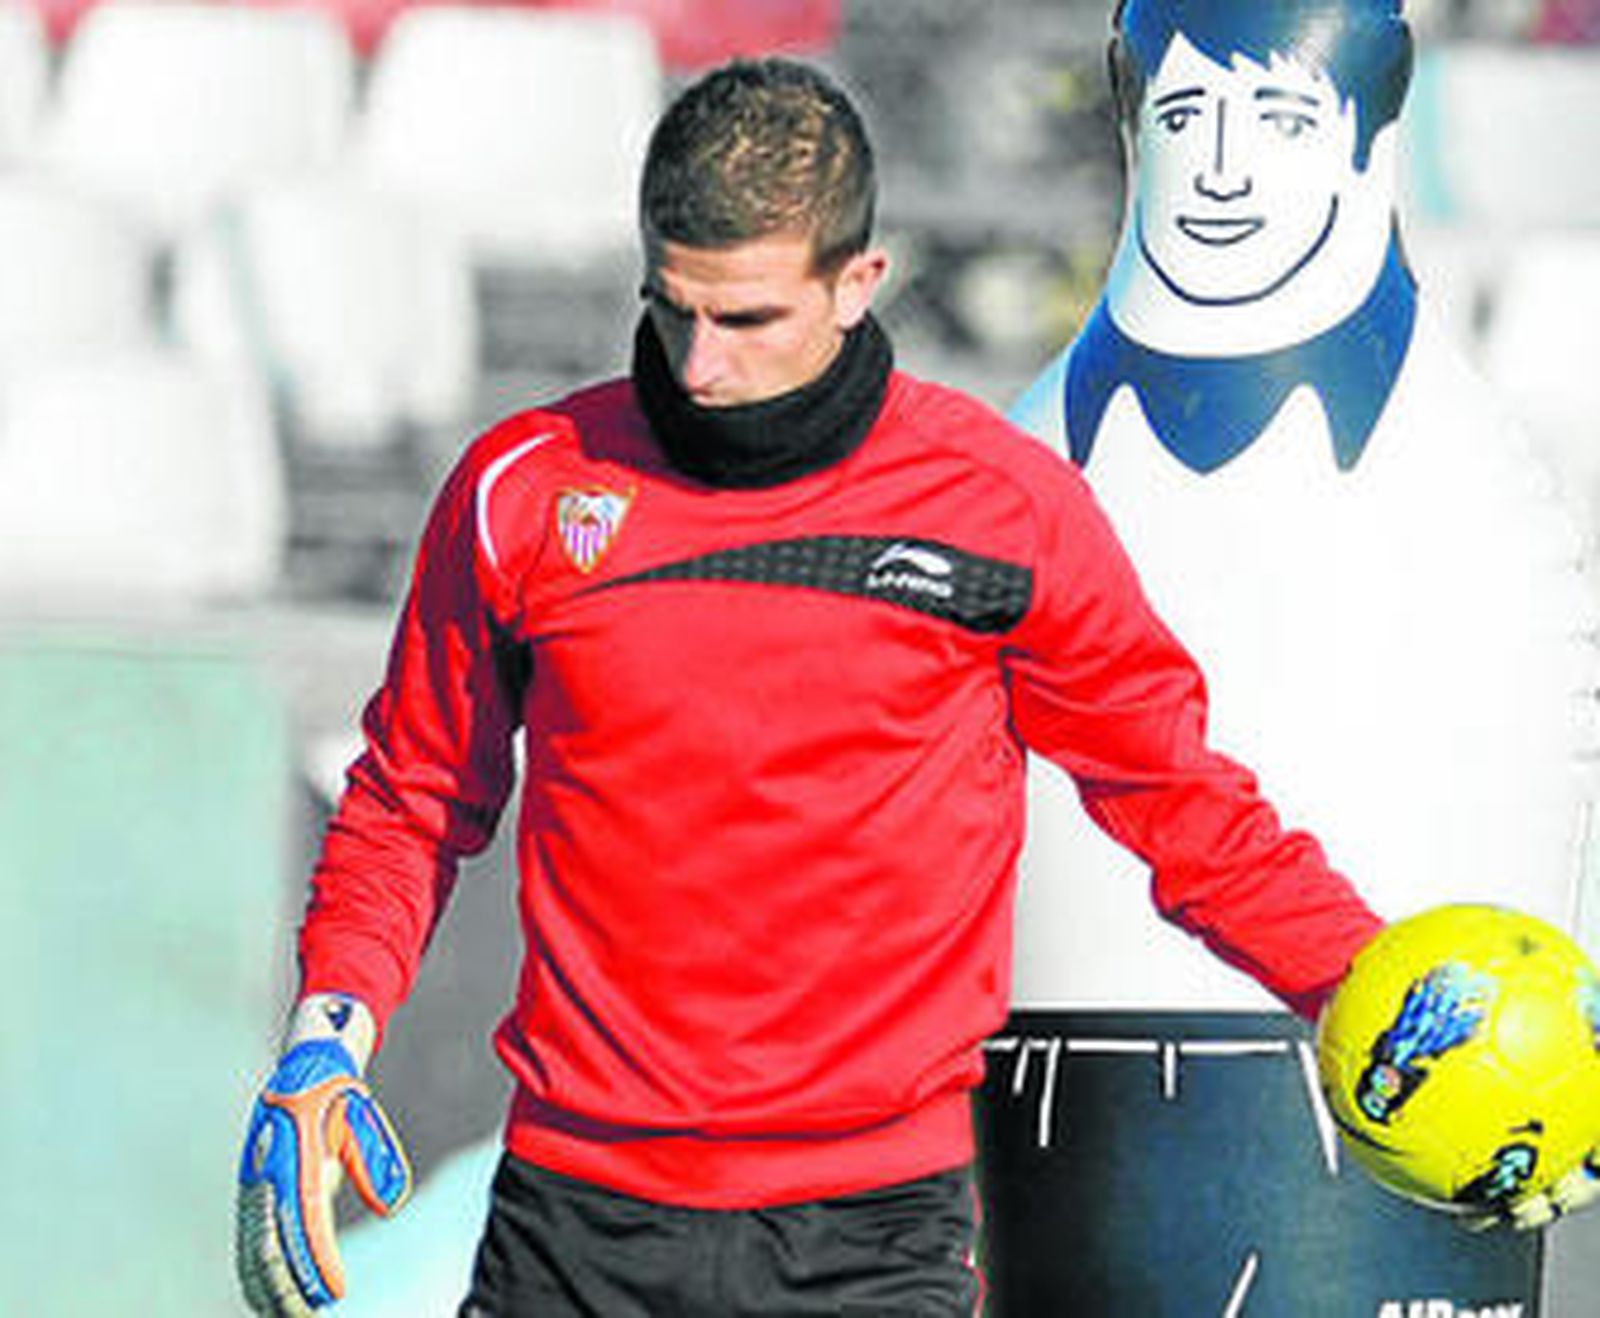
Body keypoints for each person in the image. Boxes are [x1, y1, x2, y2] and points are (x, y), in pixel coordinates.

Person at [234, 56, 1390, 1317]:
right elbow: (409, 796)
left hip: (872, 1239)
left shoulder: (1002, 511)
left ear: (857, 283)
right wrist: (325, 1032)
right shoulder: (524, 488)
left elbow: (1177, 801)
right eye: (672, 309)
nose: (696, 364)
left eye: (746, 322)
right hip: (571, 1222)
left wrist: (1374, 988)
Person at [994, 0, 1600, 1312]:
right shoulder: (1028, 477)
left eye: (1275, 120)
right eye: (1186, 117)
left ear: (1368, 121)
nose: (1220, 170)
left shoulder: (1464, 493)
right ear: (1130, 110)